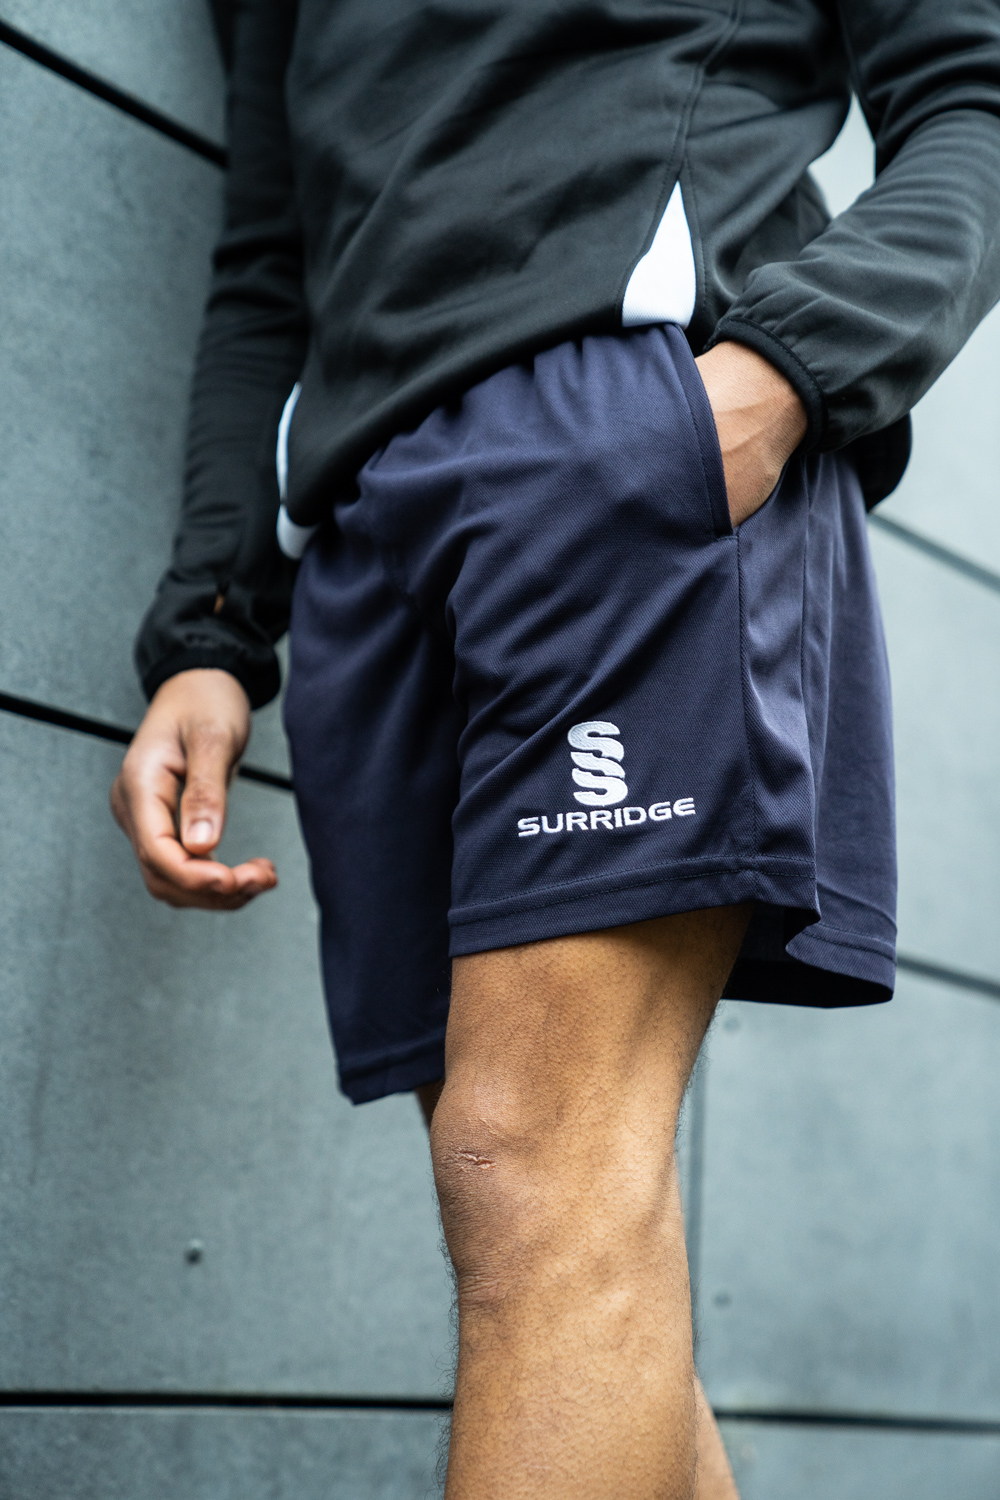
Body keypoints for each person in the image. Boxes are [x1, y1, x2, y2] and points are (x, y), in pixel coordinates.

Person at [111, 2, 1000, 1494]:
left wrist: (780, 377)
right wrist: (212, 624)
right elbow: (270, 258)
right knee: (552, 1229)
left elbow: (973, 99)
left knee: (528, 1178)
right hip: (366, 543)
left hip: (623, 440)